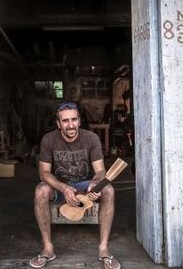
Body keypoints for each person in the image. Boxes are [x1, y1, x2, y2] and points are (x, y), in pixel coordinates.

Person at [29, 102, 120, 269]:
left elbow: (100, 172)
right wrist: (63, 187)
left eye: (74, 119)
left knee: (108, 189)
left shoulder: (91, 138)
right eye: (65, 121)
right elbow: (44, 173)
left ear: (79, 121)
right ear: (58, 124)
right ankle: (48, 248)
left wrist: (94, 183)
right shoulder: (48, 140)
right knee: (41, 190)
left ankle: (103, 248)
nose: (70, 125)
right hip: (60, 186)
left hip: (85, 186)